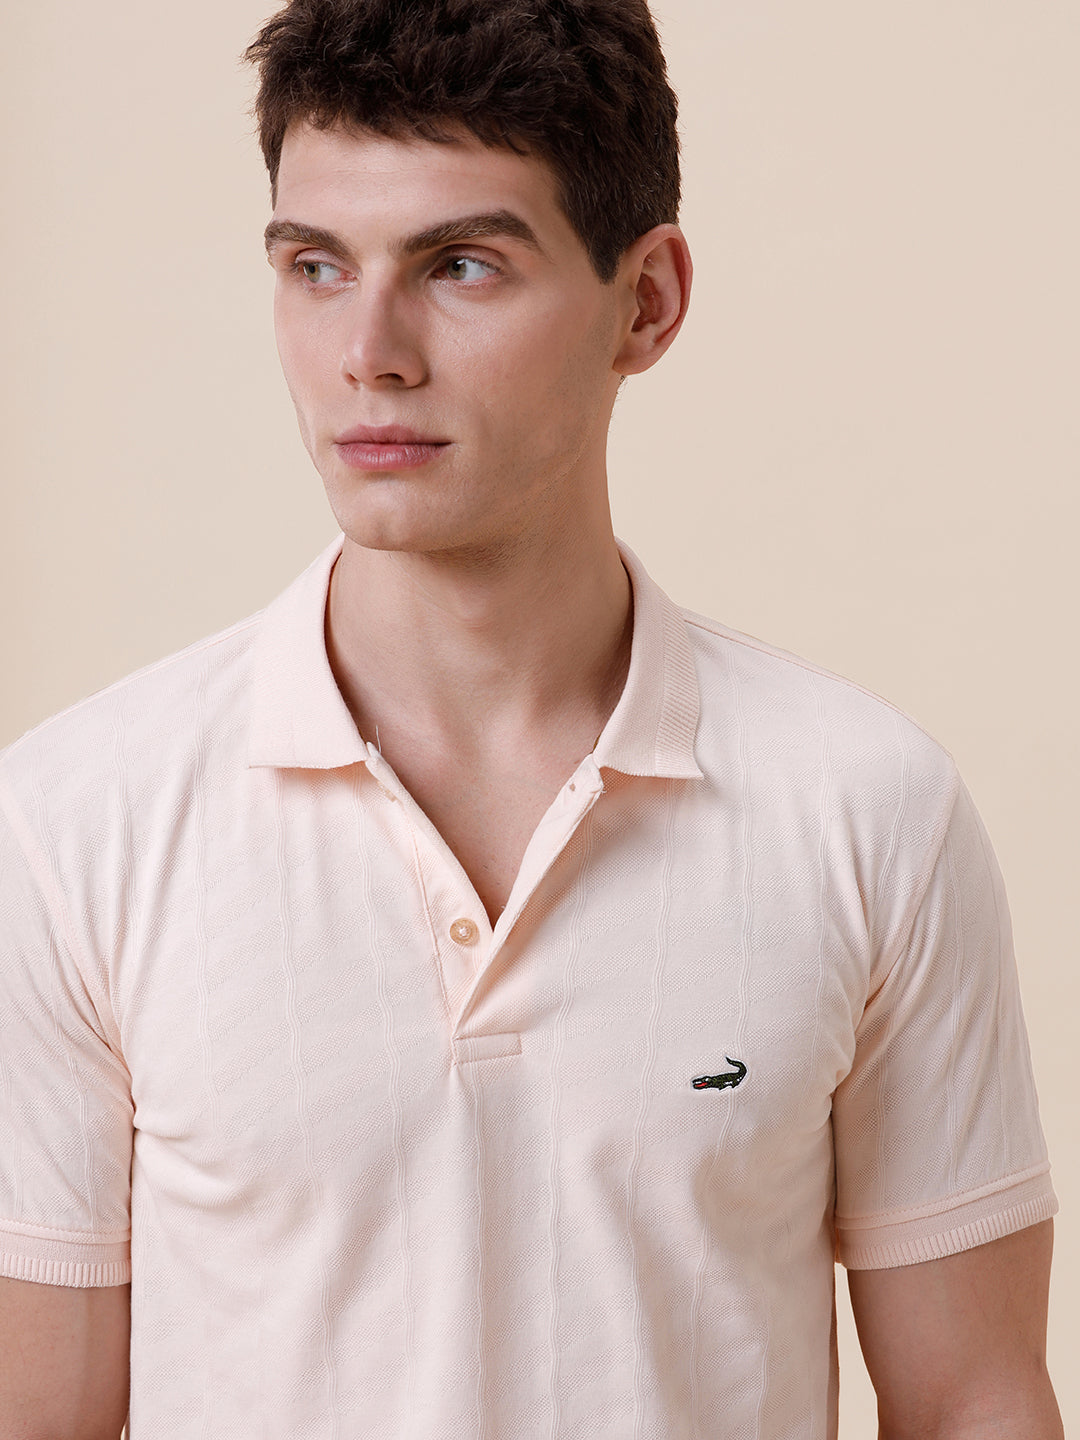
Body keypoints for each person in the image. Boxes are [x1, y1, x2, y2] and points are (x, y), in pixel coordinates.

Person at [0, 0, 1062, 1435]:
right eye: (316, 266)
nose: (369, 352)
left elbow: (974, 1400)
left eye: (461, 265)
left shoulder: (869, 810)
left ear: (647, 303)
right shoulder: (76, 824)